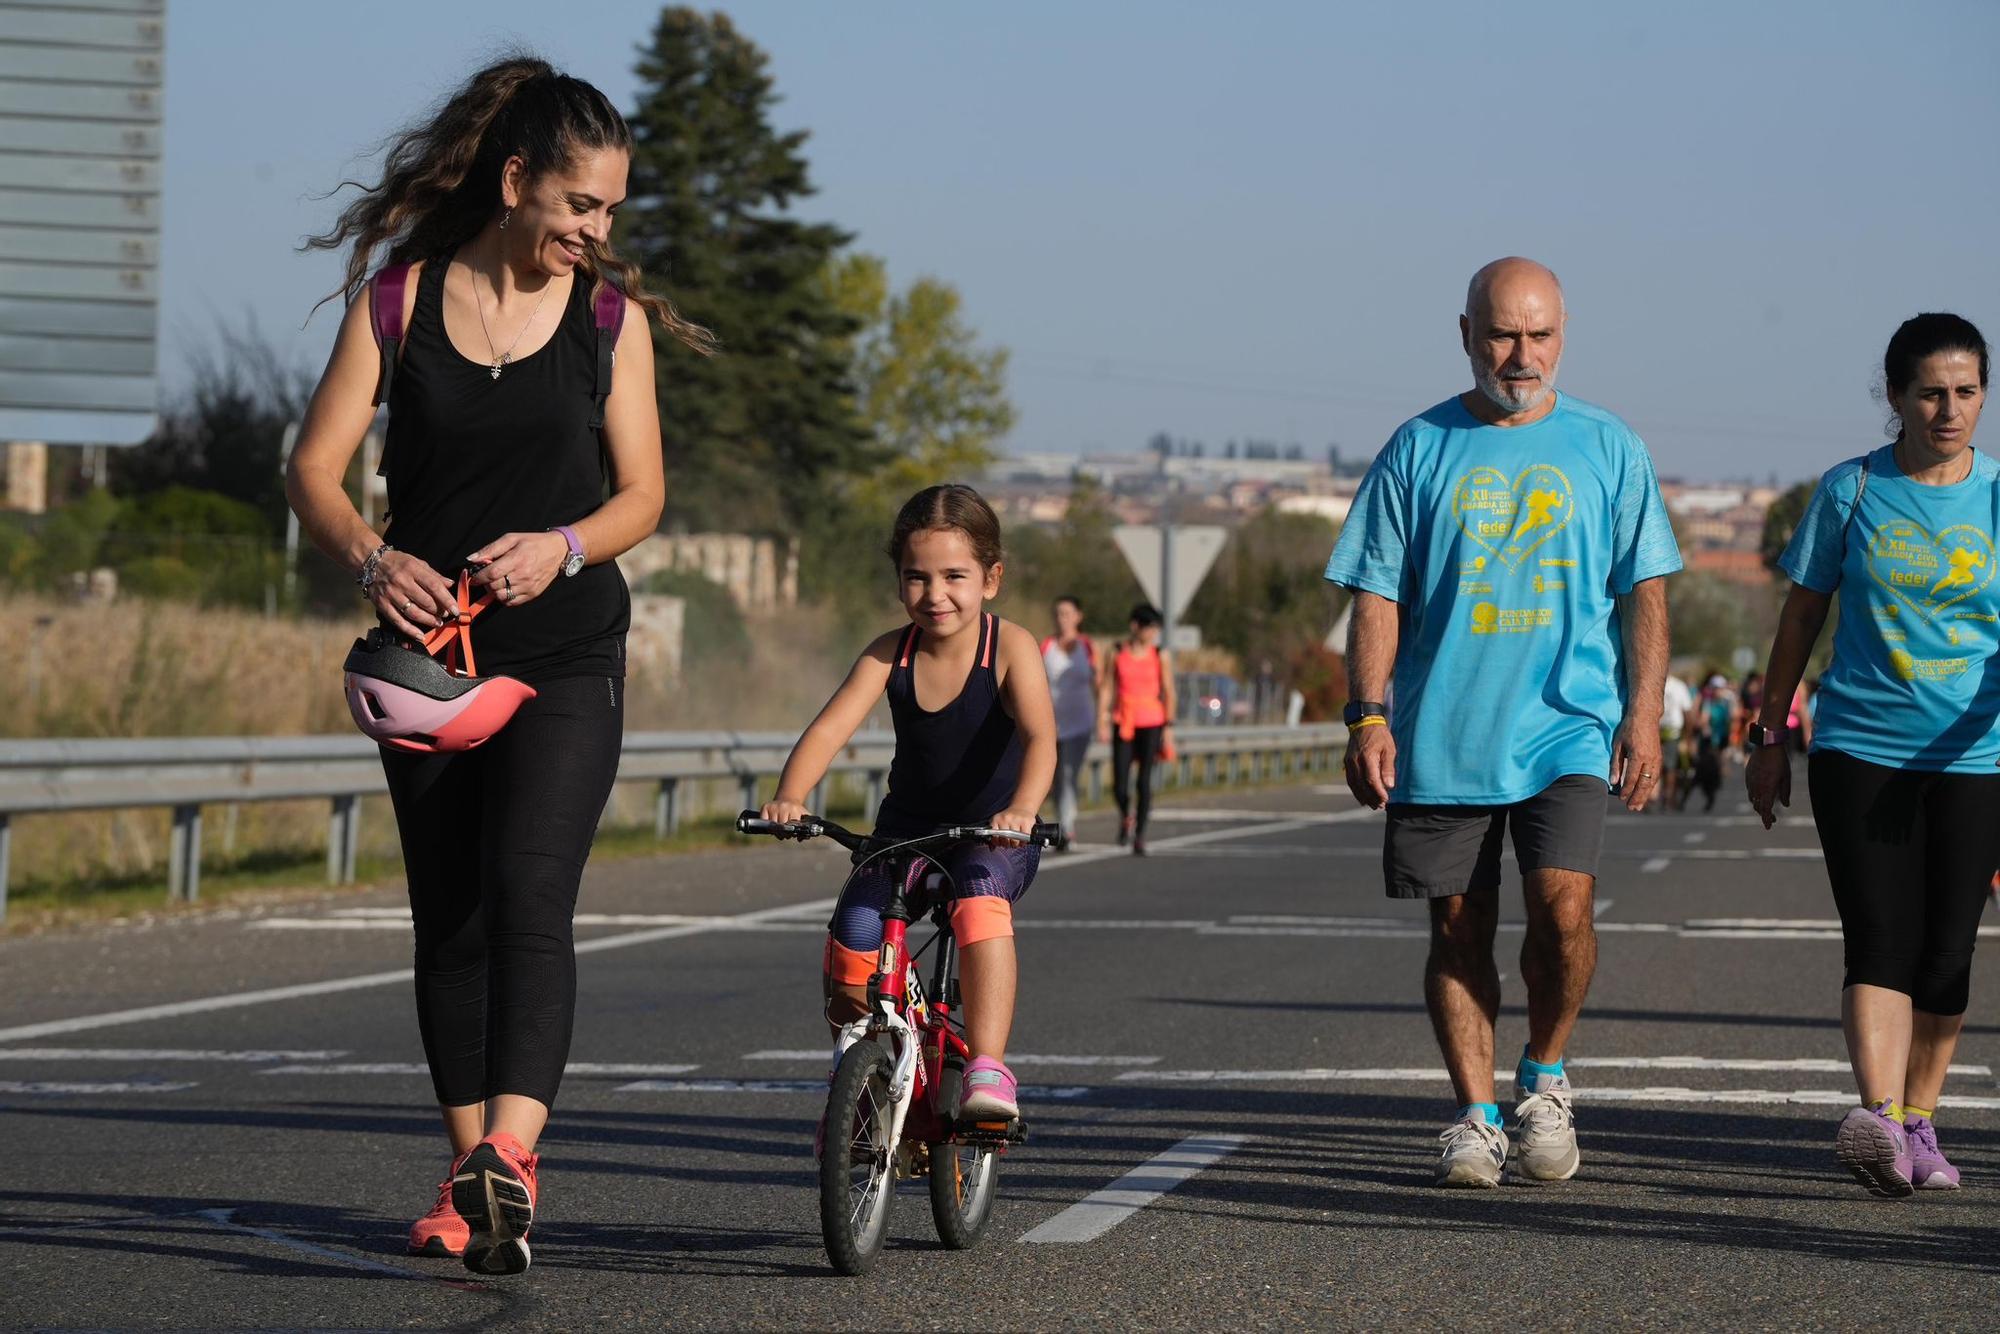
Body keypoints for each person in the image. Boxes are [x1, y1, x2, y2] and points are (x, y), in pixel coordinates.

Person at [286, 56, 710, 1275]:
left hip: (567, 651)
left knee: (530, 891)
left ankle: (512, 1154)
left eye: (613, 211)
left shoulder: (606, 324)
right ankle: (465, 1180)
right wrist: (372, 557)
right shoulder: (398, 303)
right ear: (517, 180)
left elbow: (643, 495)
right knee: (451, 919)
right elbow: (316, 469)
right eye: (580, 206)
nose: (596, 232)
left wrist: (564, 544)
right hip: (429, 660)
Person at [1324, 257, 1679, 1187]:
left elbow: (1644, 586)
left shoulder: (1609, 446)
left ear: (1565, 333)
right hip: (1445, 731)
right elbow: (1375, 593)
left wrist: (1644, 714)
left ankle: (1546, 1075)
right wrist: (1367, 714)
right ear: (1467, 333)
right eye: (1503, 334)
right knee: (1458, 928)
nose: (1521, 355)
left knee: (1564, 911)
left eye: (1540, 335)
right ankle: (1477, 1117)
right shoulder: (1419, 447)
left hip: (1569, 721)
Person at [1748, 313, 1994, 1197]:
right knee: (1880, 940)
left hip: (1977, 756)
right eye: (1930, 392)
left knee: (1949, 954)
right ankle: (1882, 1121)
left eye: (1967, 392)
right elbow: (1801, 619)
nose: (1949, 409)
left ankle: (1922, 1120)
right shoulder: (1851, 491)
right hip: (1860, 748)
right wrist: (1770, 737)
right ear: (1894, 397)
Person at [761, 484, 1056, 1126]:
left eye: (955, 576)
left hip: (992, 836)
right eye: (916, 577)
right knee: (854, 930)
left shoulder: (1010, 648)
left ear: (991, 578)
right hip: (906, 833)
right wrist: (791, 797)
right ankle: (860, 1066)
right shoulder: (887, 653)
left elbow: (1040, 738)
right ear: (898, 581)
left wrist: (1023, 810)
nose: (935, 594)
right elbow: (828, 731)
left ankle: (988, 1065)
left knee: (979, 900)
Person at [1098, 604, 1176, 855]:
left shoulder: (1159, 654)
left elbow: (1168, 689)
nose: (1153, 633)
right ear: (1136, 626)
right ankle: (1125, 815)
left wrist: (1169, 726)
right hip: (1124, 720)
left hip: (1152, 720)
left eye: (1156, 629)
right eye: (1150, 627)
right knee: (1120, 783)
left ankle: (1140, 834)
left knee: (1144, 781)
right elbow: (1107, 686)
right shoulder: (1117, 652)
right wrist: (1102, 718)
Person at [1040, 595, 1101, 851]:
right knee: (1053, 779)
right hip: (1050, 723)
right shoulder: (1046, 646)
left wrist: (1105, 717)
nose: (1062, 618)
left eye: (1067, 613)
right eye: (1058, 614)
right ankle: (1062, 824)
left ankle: (1066, 827)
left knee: (1067, 773)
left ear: (1078, 616)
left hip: (1080, 723)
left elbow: (1100, 683)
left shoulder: (1088, 646)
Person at [1658, 672, 1694, 812]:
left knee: (1661, 765)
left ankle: (1661, 795)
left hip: (1658, 729)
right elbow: (1687, 713)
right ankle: (1667, 796)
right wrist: (1688, 738)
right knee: (1670, 767)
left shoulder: (1655, 683)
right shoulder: (1679, 686)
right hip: (1670, 731)